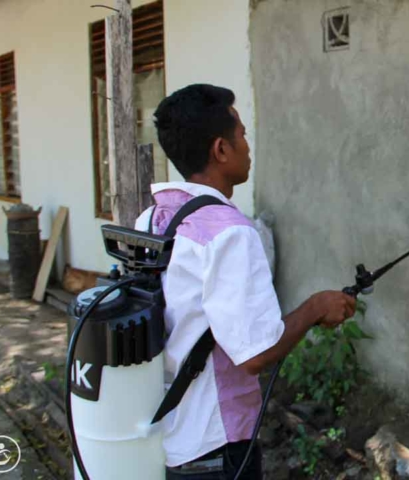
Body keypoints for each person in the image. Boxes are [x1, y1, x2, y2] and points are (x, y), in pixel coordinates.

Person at [135, 84, 356, 479]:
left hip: (162, 431)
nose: (248, 146)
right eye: (242, 136)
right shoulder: (230, 234)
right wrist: (316, 307)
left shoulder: (154, 220)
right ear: (221, 149)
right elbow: (255, 353)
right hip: (214, 442)